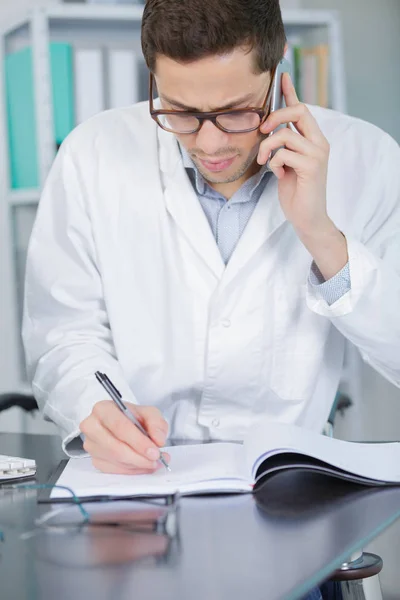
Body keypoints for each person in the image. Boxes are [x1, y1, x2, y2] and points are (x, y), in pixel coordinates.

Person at [22, 1, 399, 597]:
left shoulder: (366, 159)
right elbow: (62, 333)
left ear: (278, 75)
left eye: (233, 113)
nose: (209, 142)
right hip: (135, 509)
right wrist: (95, 408)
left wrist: (323, 236)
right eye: (179, 111)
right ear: (153, 78)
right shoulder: (93, 154)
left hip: (291, 517)